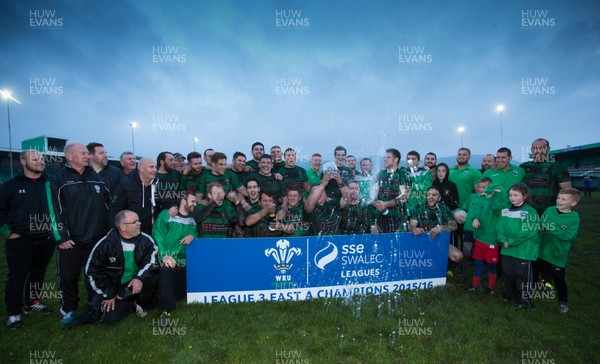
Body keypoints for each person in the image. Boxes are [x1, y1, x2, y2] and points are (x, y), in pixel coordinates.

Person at [47, 142, 110, 324]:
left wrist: (108, 229)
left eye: (87, 153)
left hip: (97, 238)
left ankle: (95, 306)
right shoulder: (56, 179)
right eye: (82, 153)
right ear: (69, 156)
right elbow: (52, 211)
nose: (87, 156)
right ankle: (69, 308)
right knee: (68, 276)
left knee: (96, 274)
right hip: (71, 240)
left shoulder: (96, 177)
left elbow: (108, 205)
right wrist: (60, 237)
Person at [0, 150, 55, 328]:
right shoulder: (10, 185)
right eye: (35, 159)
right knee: (17, 276)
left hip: (45, 238)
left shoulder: (50, 183)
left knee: (38, 272)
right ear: (23, 162)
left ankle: (31, 302)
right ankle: (14, 313)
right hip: (20, 239)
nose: (40, 162)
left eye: (41, 159)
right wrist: (8, 231)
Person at [83, 210, 158, 325]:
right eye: (135, 222)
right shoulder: (105, 244)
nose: (139, 223)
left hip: (136, 280)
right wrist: (109, 294)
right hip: (114, 285)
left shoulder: (146, 240)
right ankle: (129, 301)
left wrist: (139, 278)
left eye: (139, 220)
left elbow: (152, 261)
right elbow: (92, 273)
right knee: (110, 319)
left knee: (157, 276)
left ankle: (137, 300)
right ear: (123, 226)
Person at [152, 191, 198, 326]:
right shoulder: (166, 215)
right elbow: (157, 234)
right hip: (166, 258)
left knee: (178, 296)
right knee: (165, 270)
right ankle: (165, 312)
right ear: (183, 201)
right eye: (193, 201)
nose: (195, 204)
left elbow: (195, 239)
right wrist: (165, 255)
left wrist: (192, 237)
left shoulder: (192, 221)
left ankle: (163, 295)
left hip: (183, 263)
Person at [497, 183, 541, 309]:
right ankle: (508, 295)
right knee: (508, 273)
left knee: (521, 276)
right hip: (506, 249)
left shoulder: (530, 212)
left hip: (522, 250)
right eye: (510, 195)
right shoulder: (505, 210)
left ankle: (525, 300)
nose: (512, 198)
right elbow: (499, 227)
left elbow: (527, 232)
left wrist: (510, 242)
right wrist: (502, 240)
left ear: (525, 196)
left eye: (516, 195)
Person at [538, 188, 580, 314]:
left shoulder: (574, 218)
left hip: (558, 254)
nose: (559, 200)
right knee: (541, 272)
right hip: (542, 250)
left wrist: (550, 227)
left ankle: (563, 302)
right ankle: (543, 290)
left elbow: (568, 236)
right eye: (558, 198)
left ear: (573, 203)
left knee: (558, 278)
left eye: (563, 199)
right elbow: (540, 226)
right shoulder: (549, 210)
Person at [465, 182, 505, 295]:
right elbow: (475, 212)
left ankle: (491, 287)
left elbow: (496, 209)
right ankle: (475, 285)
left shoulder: (499, 203)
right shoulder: (483, 200)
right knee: (478, 263)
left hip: (491, 241)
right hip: (479, 238)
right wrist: (475, 218)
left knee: (491, 265)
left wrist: (496, 196)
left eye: (489, 192)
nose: (486, 194)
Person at [409, 187, 462, 264]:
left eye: (434, 195)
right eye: (428, 195)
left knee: (458, 256)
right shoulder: (418, 208)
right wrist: (414, 229)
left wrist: (439, 228)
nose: (430, 197)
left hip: (440, 240)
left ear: (439, 198)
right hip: (422, 239)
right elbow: (411, 226)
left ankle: (447, 267)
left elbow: (454, 225)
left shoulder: (443, 208)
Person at [520, 138, 571, 216]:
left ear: (548, 149)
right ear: (531, 150)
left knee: (547, 228)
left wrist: (563, 208)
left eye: (542, 148)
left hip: (549, 211)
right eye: (535, 148)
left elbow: (567, 190)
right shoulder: (524, 166)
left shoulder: (558, 166)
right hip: (527, 209)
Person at [109, 158, 158, 236]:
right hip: (130, 232)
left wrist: (171, 205)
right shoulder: (126, 184)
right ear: (141, 168)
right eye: (151, 167)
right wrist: (115, 229)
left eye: (155, 167)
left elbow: (165, 200)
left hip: (151, 231)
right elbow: (115, 208)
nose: (155, 170)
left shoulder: (157, 184)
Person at [457, 177, 491, 280]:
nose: (481, 189)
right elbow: (463, 208)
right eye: (479, 187)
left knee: (480, 255)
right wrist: (457, 213)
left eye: (484, 187)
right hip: (468, 230)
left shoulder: (490, 199)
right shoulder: (472, 196)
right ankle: (464, 274)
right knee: (466, 252)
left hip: (481, 232)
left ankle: (482, 275)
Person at [155, 151, 185, 220]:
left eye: (174, 160)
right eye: (171, 160)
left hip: (176, 214)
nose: (174, 162)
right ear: (162, 162)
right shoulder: (154, 177)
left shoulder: (176, 174)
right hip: (159, 214)